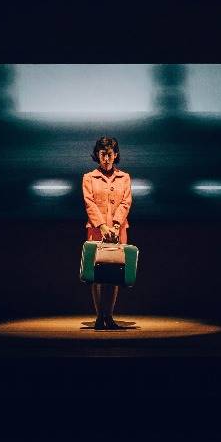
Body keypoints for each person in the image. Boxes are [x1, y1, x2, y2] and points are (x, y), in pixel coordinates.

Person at [82, 136, 131, 331]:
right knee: (96, 274)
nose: (106, 158)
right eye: (103, 154)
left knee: (115, 273)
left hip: (119, 230)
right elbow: (89, 203)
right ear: (97, 155)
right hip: (96, 229)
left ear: (115, 155)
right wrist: (102, 226)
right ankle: (99, 317)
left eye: (110, 154)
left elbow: (126, 202)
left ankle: (109, 317)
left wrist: (116, 225)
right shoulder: (88, 177)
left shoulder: (124, 177)